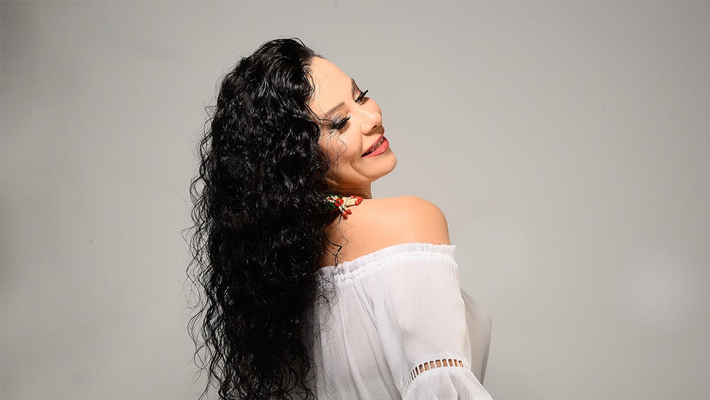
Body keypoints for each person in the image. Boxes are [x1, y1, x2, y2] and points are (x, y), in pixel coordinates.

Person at [186, 37, 493, 400]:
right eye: (339, 122)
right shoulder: (408, 223)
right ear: (294, 157)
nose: (372, 118)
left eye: (360, 96)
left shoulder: (276, 270)